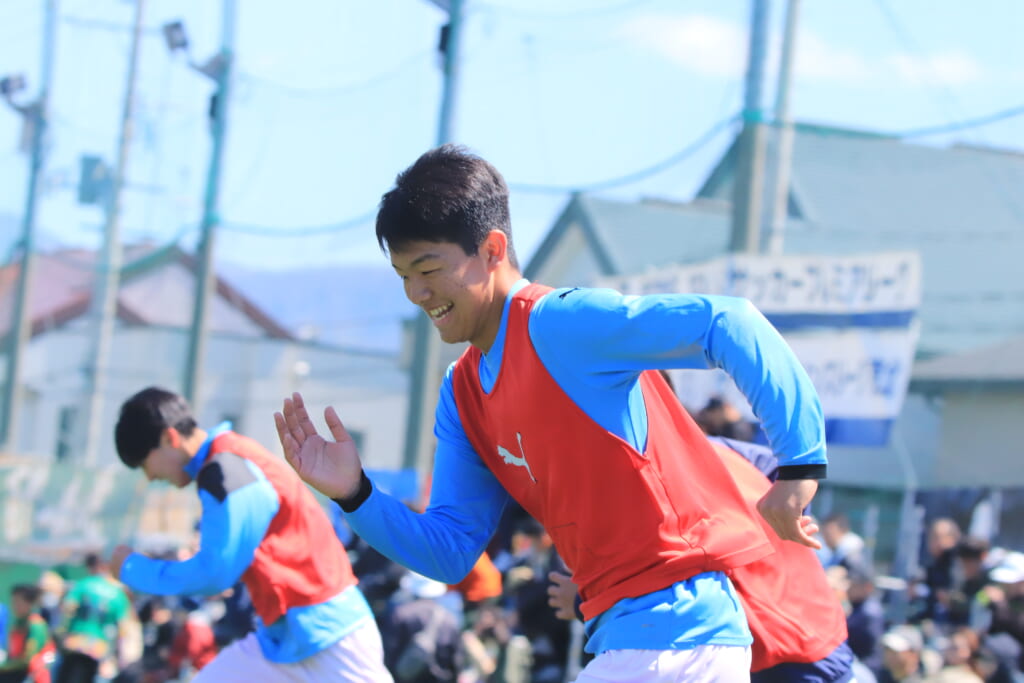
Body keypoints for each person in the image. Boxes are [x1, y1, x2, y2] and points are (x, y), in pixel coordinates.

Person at [275, 144, 828, 682]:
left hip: (678, 641)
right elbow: (449, 553)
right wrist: (357, 495)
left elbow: (729, 323)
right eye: (403, 276)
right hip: (635, 643)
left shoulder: (557, 323)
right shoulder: (462, 392)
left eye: (428, 268)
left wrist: (800, 465)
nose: (416, 293)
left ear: (492, 250)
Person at [109, 387, 393, 682]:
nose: (150, 477)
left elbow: (214, 574)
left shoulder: (225, 468)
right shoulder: (226, 460)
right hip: (282, 641)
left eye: (145, 464)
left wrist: (132, 567)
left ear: (170, 438)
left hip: (329, 635)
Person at [55, 552, 132, 683]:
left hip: (75, 641)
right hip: (98, 647)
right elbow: (123, 627)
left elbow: (67, 608)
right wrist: (119, 656)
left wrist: (61, 631)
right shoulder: (119, 594)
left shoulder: (84, 584)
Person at [0, 584, 56, 683]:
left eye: (19, 602)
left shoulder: (36, 624)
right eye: (14, 602)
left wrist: (5, 667)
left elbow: (28, 658)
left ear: (29, 603)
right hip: (16, 669)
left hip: (32, 674)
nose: (15, 606)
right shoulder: (18, 623)